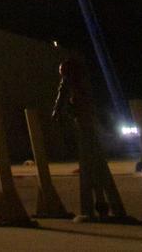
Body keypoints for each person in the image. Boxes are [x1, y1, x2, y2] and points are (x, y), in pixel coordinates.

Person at [52, 57, 126, 221]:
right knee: (91, 159)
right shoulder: (76, 83)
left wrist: (61, 110)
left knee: (92, 159)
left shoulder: (81, 85)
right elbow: (62, 93)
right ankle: (101, 204)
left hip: (87, 122)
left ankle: (99, 205)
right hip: (84, 121)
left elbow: (65, 94)